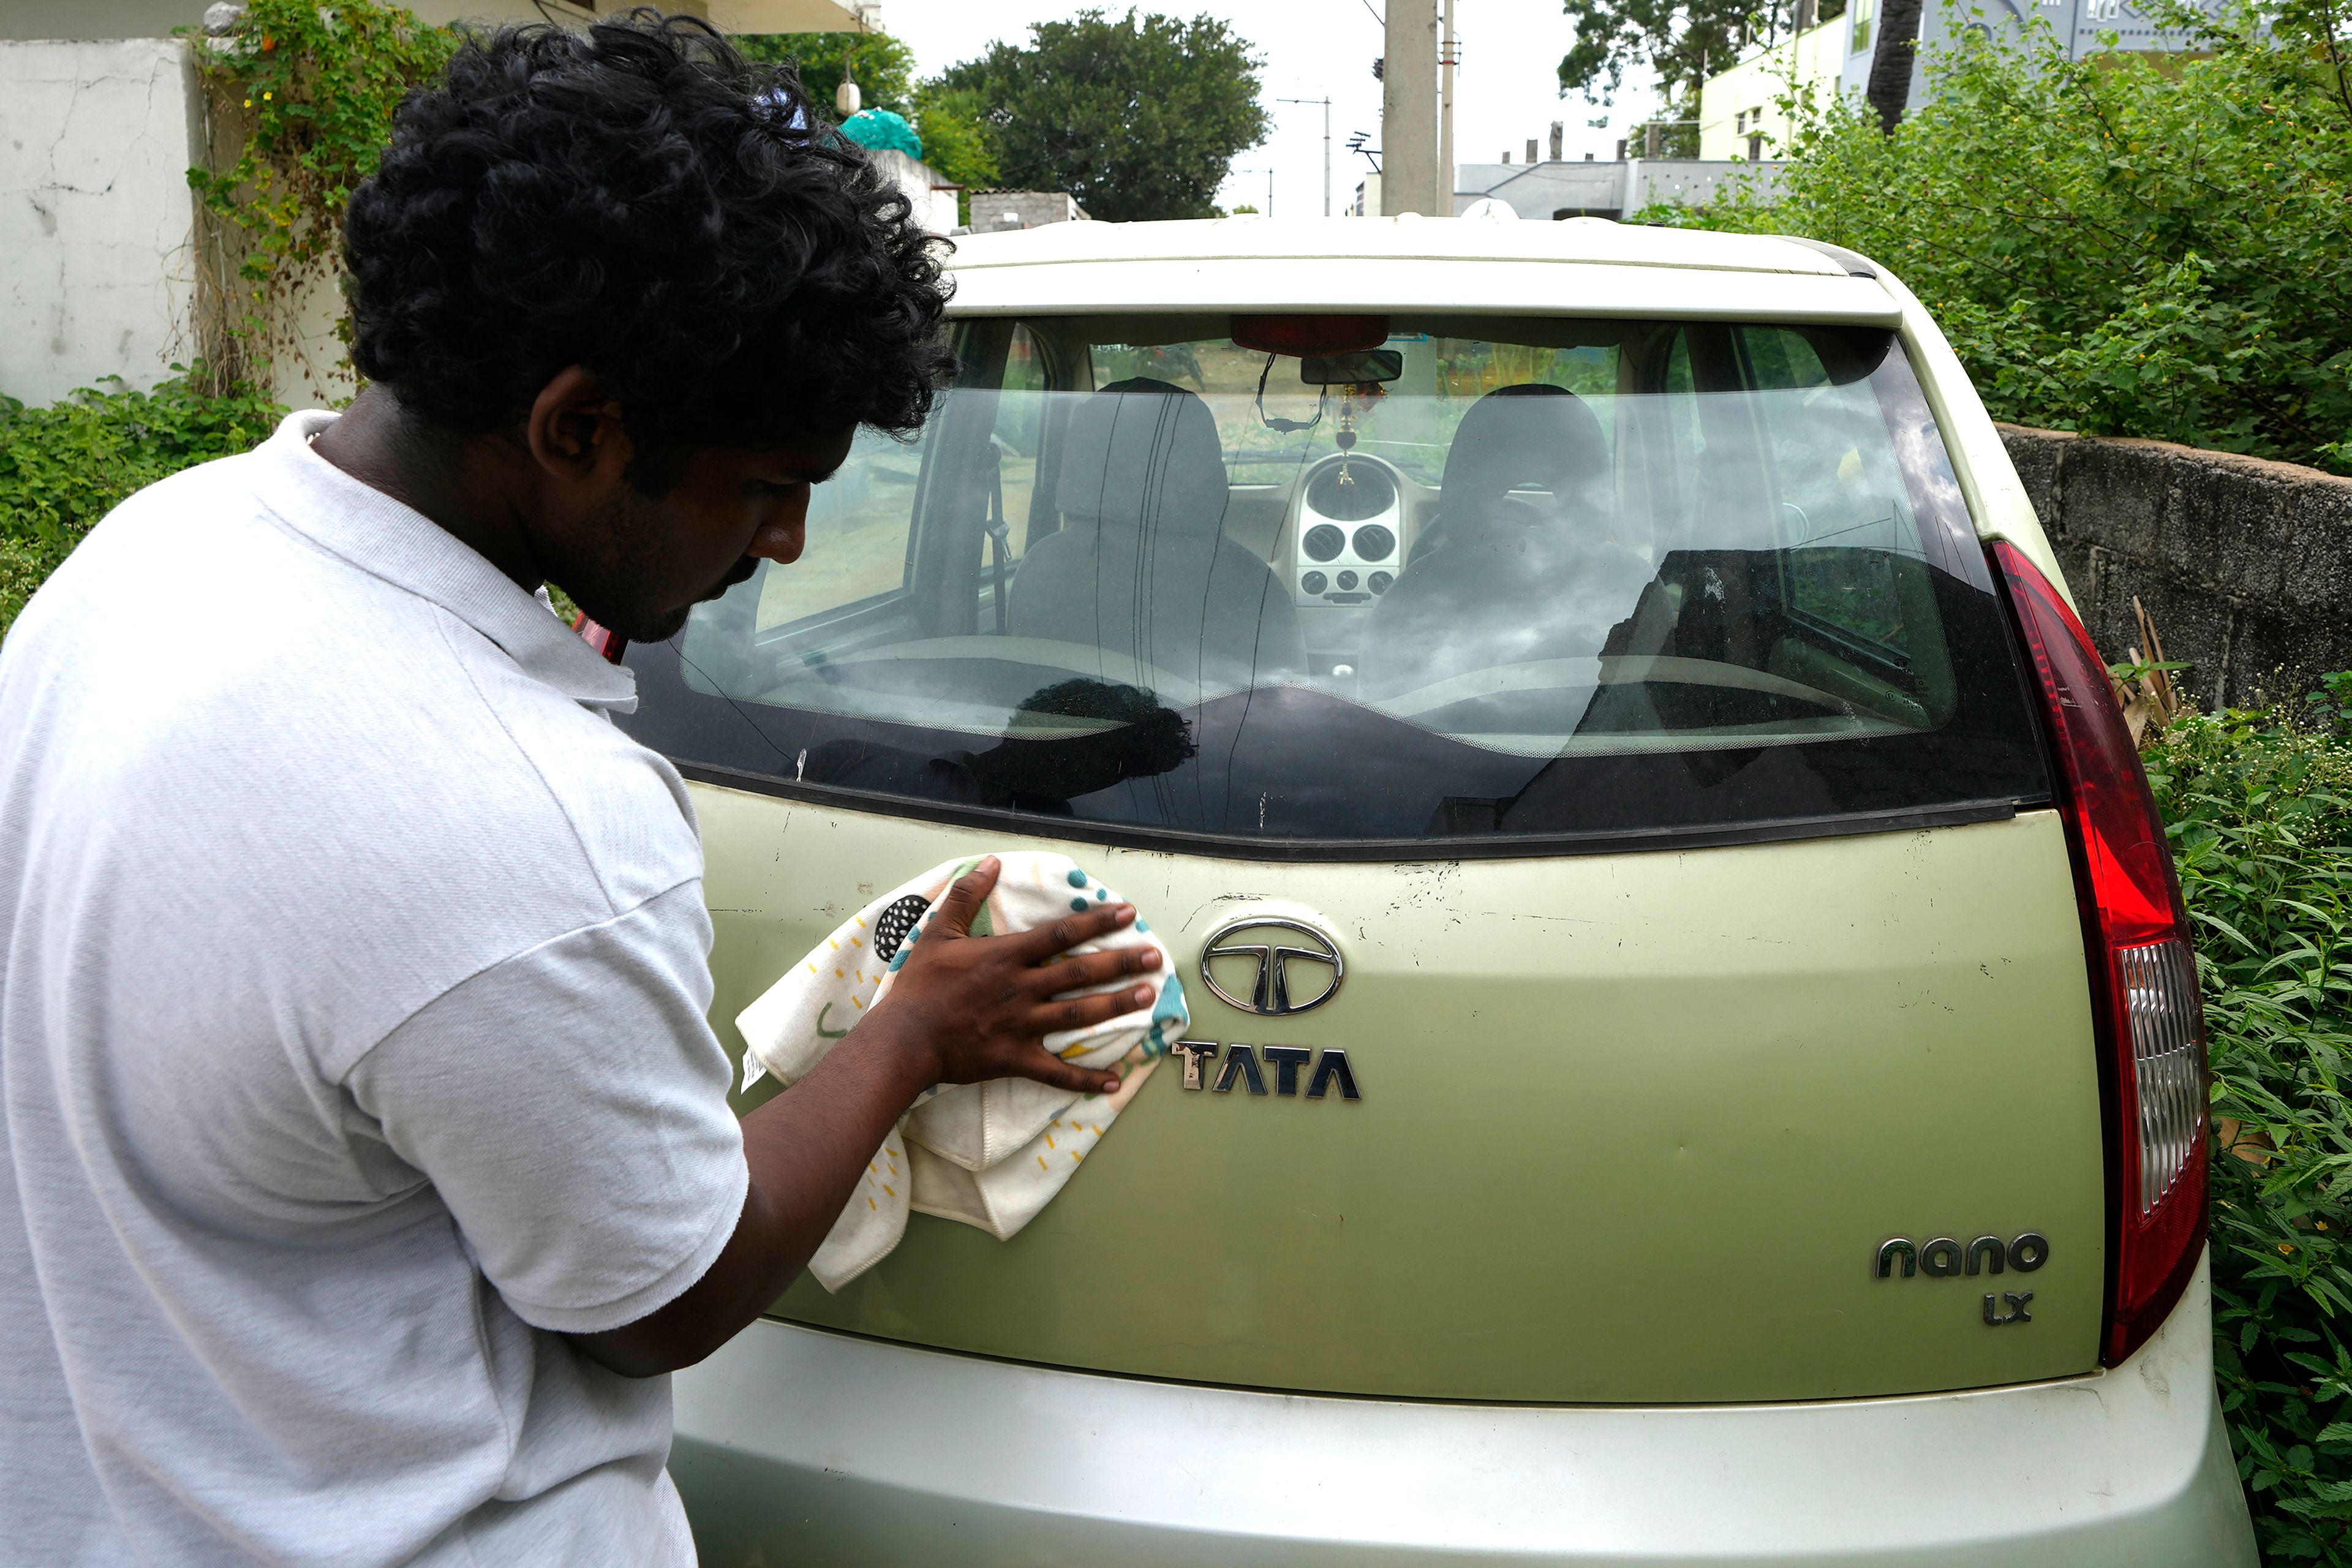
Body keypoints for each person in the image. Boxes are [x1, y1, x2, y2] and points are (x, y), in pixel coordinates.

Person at [0, 13, 1161, 1564]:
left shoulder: (154, 546)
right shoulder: (515, 814)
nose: (791, 546)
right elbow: (657, 1298)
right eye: (766, 487)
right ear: (579, 427)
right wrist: (914, 1034)